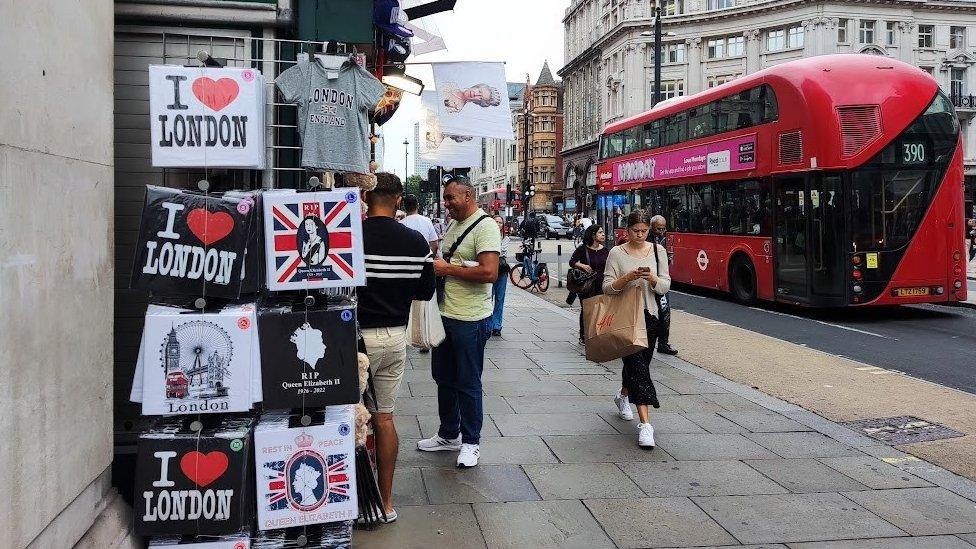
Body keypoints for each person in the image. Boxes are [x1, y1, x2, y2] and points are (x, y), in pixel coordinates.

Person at [358, 173, 436, 521]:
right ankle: (385, 503)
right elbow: (424, 293)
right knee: (384, 418)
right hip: (394, 338)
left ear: (365, 195)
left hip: (355, 341)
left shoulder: (351, 237)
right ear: (399, 200)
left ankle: (351, 501)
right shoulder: (417, 242)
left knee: (347, 419)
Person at [418, 175, 500, 468]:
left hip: (470, 318)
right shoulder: (453, 224)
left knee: (467, 382)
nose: (446, 203)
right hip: (445, 313)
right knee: (443, 378)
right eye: (445, 197)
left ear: (468, 195)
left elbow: (490, 273)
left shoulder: (486, 226)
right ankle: (448, 434)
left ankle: (471, 442)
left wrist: (448, 269)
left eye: (451, 197)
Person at [603, 211, 671, 448]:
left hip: (650, 317)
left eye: (644, 231)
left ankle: (622, 396)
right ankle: (645, 426)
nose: (640, 235)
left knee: (640, 363)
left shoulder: (658, 252)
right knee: (638, 367)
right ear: (627, 230)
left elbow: (665, 285)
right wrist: (627, 278)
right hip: (625, 319)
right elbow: (607, 288)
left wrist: (652, 279)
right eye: (635, 231)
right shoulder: (616, 253)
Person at [568, 225, 610, 344]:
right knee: (587, 310)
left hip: (601, 284)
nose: (603, 234)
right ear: (593, 235)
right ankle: (584, 335)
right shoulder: (582, 249)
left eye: (602, 232)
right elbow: (572, 262)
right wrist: (581, 265)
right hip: (587, 285)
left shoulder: (605, 250)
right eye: (600, 232)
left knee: (600, 310)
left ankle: (597, 333)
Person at [650, 215, 678, 356]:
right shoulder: (646, 239)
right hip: (649, 282)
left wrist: (667, 259)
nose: (661, 231)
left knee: (665, 311)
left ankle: (663, 343)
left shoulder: (665, 238)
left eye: (663, 228)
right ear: (651, 227)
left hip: (662, 281)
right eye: (658, 229)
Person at [491, 215, 511, 336]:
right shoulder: (486, 236)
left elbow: (501, 251)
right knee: (489, 298)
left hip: (502, 271)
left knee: (499, 299)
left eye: (500, 223)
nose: (498, 224)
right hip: (490, 270)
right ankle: (488, 324)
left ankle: (497, 325)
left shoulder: (506, 238)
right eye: (496, 222)